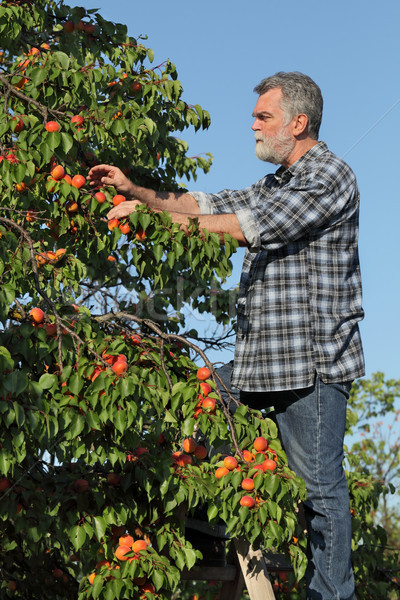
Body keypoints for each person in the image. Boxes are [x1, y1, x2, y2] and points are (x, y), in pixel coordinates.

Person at [88, 71, 365, 600]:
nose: (253, 125)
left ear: (298, 123)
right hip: (263, 362)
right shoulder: (273, 184)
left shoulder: (329, 176)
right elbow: (205, 204)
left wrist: (152, 217)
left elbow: (244, 228)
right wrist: (136, 189)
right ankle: (212, 534)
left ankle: (332, 594)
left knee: (321, 492)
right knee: (196, 400)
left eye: (264, 116)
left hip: (311, 366)